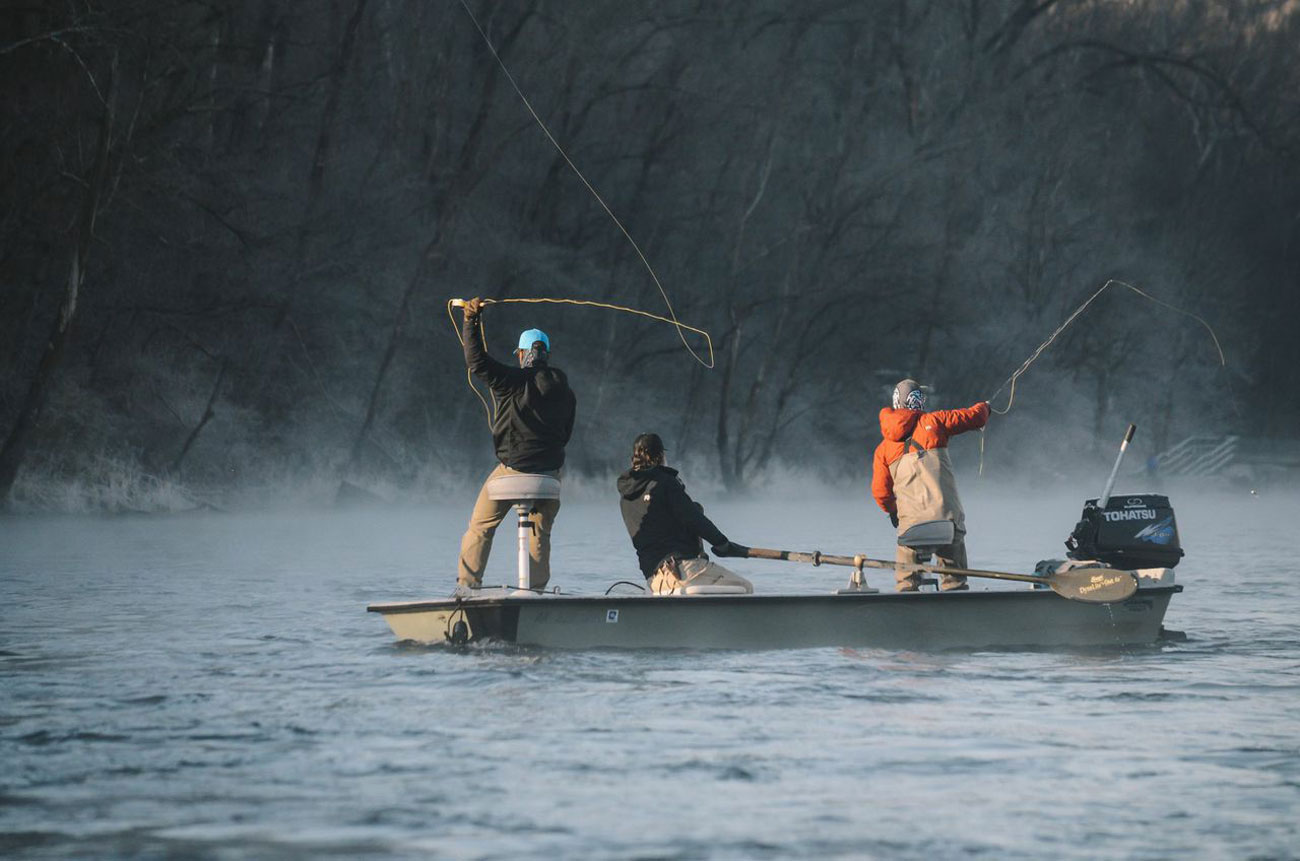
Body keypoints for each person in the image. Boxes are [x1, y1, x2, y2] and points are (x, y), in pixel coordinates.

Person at [456, 297, 576, 593]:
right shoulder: (566, 389)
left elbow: (476, 361)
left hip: (512, 471)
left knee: (480, 528)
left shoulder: (510, 380)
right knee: (540, 533)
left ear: (522, 354)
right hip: (549, 477)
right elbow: (565, 434)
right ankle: (535, 594)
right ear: (546, 354)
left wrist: (471, 320)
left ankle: (466, 589)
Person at [871, 379, 989, 592]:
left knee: (906, 575)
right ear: (917, 401)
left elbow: (880, 493)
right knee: (955, 576)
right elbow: (976, 417)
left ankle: (908, 594)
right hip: (947, 522)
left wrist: (893, 511)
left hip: (911, 527)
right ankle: (956, 594)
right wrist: (986, 407)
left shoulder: (883, 449)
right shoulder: (936, 421)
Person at [616, 433, 753, 595]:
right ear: (661, 456)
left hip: (655, 580)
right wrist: (723, 544)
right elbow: (693, 518)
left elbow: (662, 523)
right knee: (745, 587)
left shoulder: (626, 498)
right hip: (684, 570)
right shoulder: (666, 483)